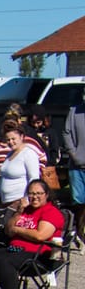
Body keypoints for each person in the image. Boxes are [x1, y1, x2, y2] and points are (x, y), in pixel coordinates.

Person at [0, 125, 40, 210]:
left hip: (19, 202)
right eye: (8, 140)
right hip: (5, 203)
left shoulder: (28, 154)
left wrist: (27, 199)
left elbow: (34, 178)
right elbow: (3, 178)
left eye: (13, 139)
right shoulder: (9, 154)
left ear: (21, 137)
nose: (11, 142)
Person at [63, 94, 85, 248]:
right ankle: (79, 233)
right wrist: (74, 153)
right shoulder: (74, 111)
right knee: (78, 202)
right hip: (77, 166)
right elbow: (66, 133)